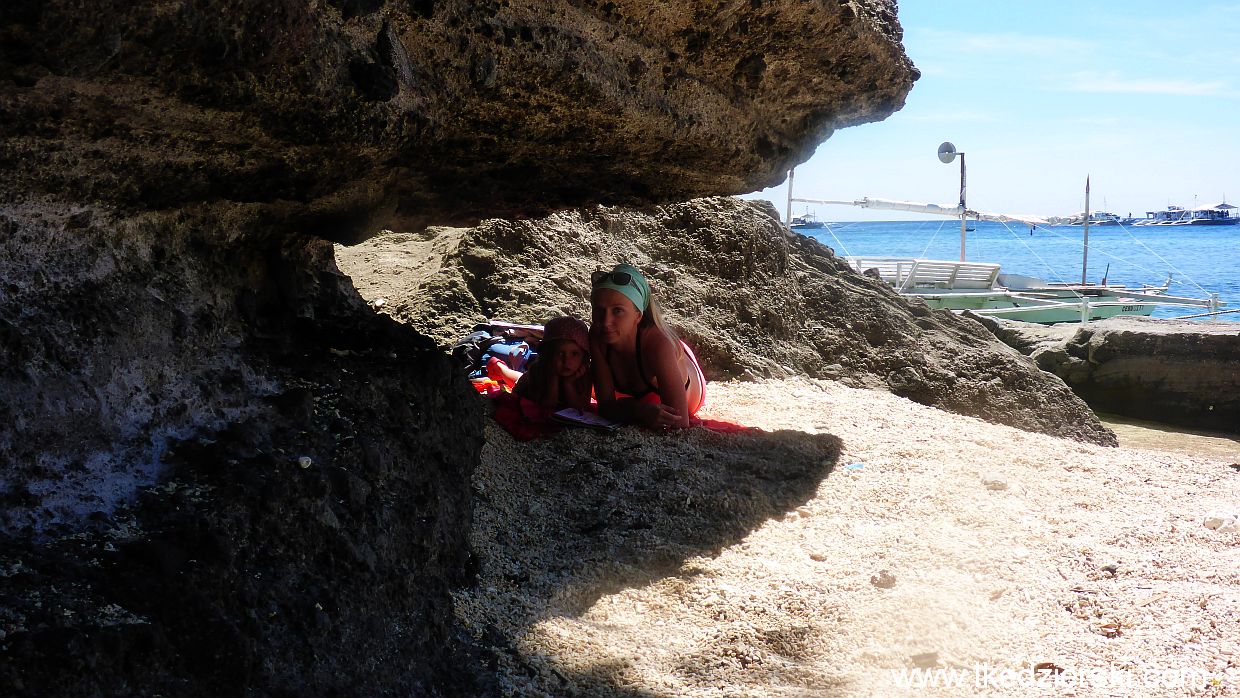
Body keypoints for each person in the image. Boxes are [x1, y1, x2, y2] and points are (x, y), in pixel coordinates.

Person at [589, 263, 705, 430]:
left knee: (669, 347)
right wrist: (639, 410)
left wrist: (627, 409)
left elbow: (679, 421)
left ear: (638, 316)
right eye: (599, 311)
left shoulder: (658, 345)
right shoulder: (597, 335)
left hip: (688, 374)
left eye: (617, 311)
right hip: (657, 355)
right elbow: (605, 407)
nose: (606, 322)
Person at [512, 315, 592, 413]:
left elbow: (581, 408)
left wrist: (568, 383)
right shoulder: (538, 370)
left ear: (583, 356)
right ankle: (498, 367)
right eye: (560, 353)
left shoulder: (584, 374)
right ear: (548, 354)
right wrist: (553, 378)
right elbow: (547, 405)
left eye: (574, 354)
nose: (566, 361)